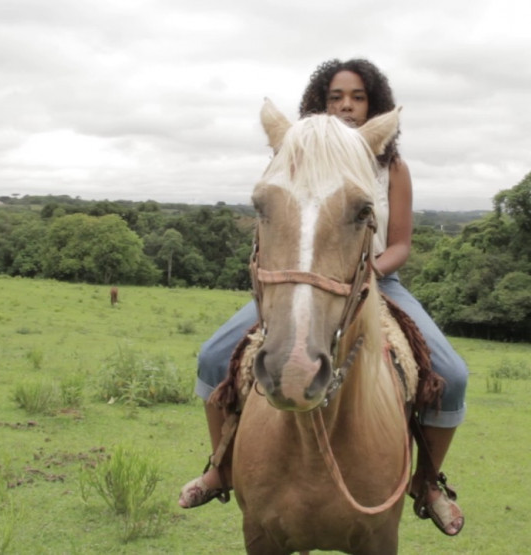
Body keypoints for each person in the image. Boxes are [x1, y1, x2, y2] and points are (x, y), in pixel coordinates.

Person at [178, 58, 468, 537]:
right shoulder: (295, 155)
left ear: (371, 104)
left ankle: (428, 482)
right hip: (300, 278)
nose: (347, 106)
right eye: (336, 98)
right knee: (213, 357)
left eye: (357, 97)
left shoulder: (390, 167)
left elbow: (399, 244)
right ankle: (220, 467)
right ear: (321, 102)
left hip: (374, 281)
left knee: (452, 375)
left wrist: (367, 272)